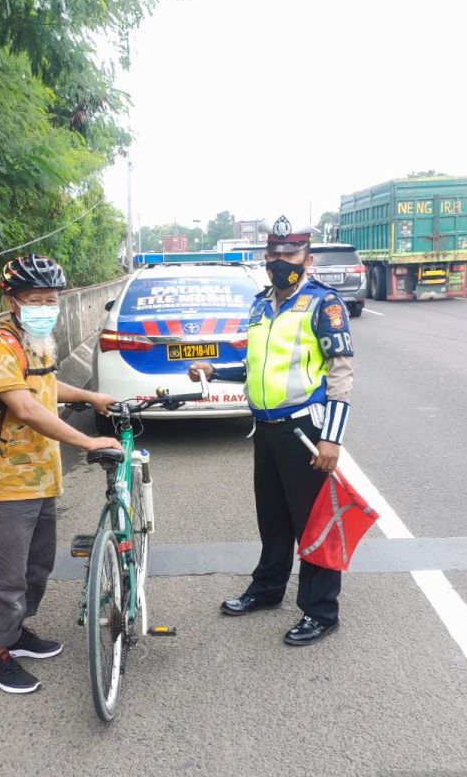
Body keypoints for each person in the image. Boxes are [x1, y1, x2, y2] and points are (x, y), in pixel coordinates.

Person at [188, 215, 354, 646]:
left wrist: (331, 438)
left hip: (305, 430)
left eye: (291, 254)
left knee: (313, 524)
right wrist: (213, 368)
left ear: (307, 259)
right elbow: (253, 367)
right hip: (265, 429)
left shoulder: (324, 304)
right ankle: (267, 589)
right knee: (274, 519)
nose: (281, 260)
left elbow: (340, 373)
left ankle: (321, 611)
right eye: (275, 253)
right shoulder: (261, 305)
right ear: (266, 257)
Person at [0, 254, 121, 693]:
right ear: (14, 301)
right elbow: (26, 407)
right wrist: (89, 441)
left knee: (35, 568)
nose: (46, 306)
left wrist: (91, 396)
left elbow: (47, 388)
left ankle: (15, 635)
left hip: (39, 479)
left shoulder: (38, 343)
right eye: (36, 299)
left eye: (52, 299)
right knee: (6, 577)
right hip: (4, 483)